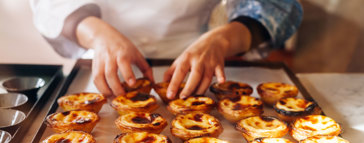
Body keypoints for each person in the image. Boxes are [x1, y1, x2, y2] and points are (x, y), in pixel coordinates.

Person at [30, 0, 302, 99]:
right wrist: (97, 34)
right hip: (99, 66)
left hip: (192, 66)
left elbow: (277, 6)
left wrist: (223, 39)